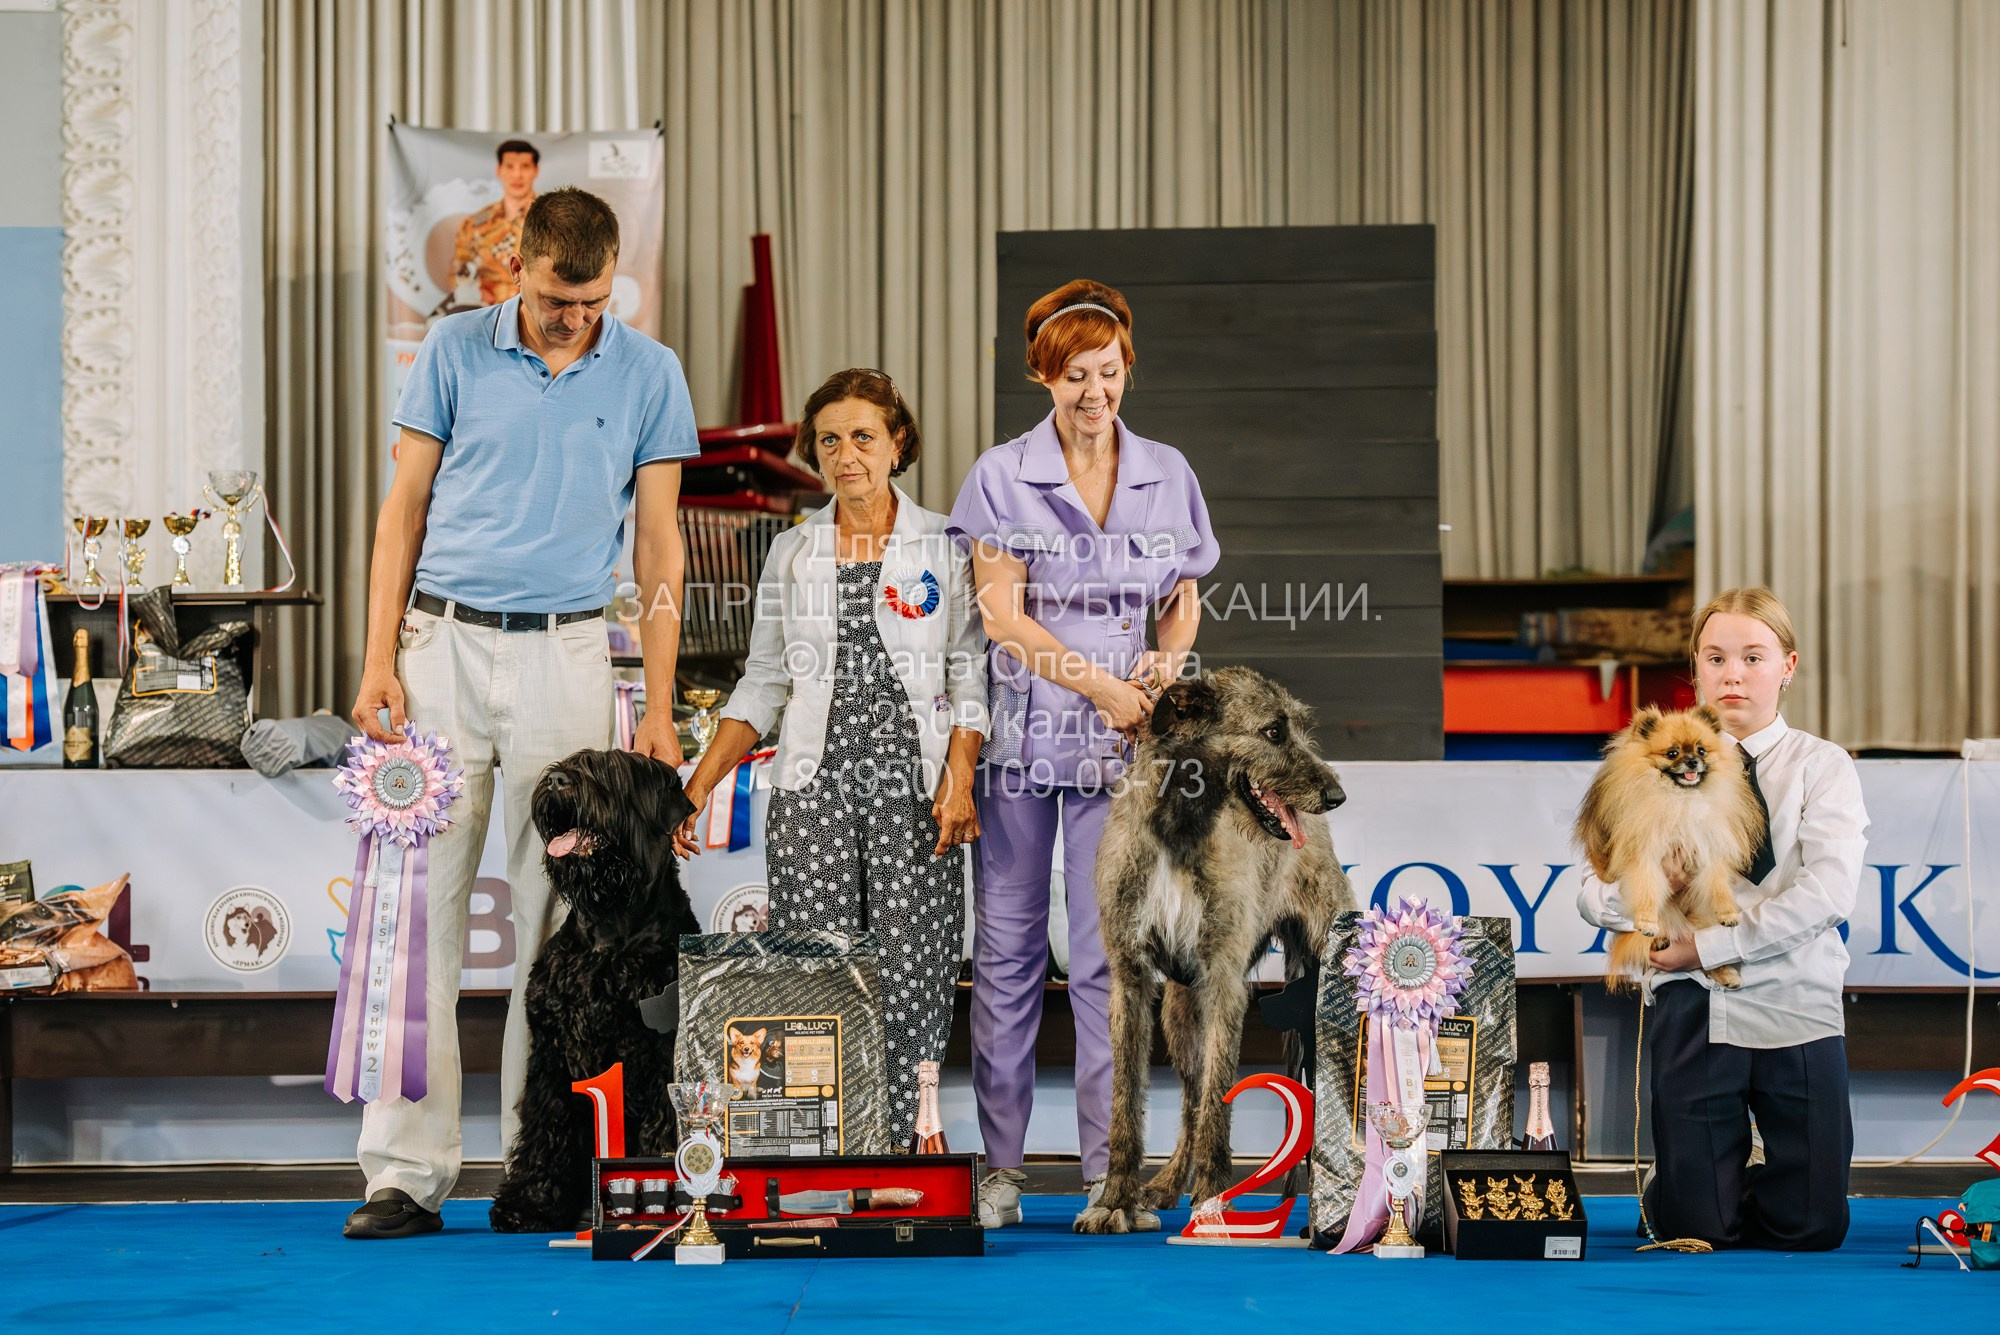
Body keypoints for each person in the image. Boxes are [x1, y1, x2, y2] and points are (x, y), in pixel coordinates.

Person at [343, 186, 697, 1239]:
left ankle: (540, 1168)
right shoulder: (452, 351)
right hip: (442, 645)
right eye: (554, 301)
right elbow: (403, 510)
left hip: (571, 646)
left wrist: (661, 704)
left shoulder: (651, 371)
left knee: (564, 923)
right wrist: (376, 659)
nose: (572, 320)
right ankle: (404, 1173)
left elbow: (660, 544)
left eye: (591, 303)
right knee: (420, 918)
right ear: (517, 270)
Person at [948, 280, 1218, 1227]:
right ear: (1043, 377)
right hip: (1025, 736)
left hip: (1126, 745)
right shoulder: (1001, 474)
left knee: (1112, 958)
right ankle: (1002, 1171)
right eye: (1074, 376)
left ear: (1127, 370)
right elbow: (1001, 616)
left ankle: (1113, 1170)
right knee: (1009, 956)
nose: (1094, 391)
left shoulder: (1167, 471)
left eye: (1108, 372)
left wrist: (1166, 661)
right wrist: (1099, 685)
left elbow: (1182, 595)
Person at [676, 368, 987, 1147]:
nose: (847, 456)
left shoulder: (944, 543)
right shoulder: (792, 551)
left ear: (898, 443)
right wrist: (697, 785)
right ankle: (833, 1152)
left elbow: (969, 674)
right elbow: (763, 681)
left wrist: (959, 782)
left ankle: (907, 1146)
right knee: (818, 970)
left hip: (915, 788)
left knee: (915, 965)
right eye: (829, 441)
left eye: (863, 437)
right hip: (813, 788)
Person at [1578, 587, 1867, 1250]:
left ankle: (1730, 1181)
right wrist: (1653, 888)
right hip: (1694, 1004)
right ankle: (1688, 1189)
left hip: (1796, 999)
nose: (1733, 673)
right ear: (1696, 670)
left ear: (1787, 666)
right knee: (1699, 1229)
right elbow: (1591, 895)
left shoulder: (1821, 767)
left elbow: (1828, 893)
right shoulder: (1647, 762)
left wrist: (1707, 946)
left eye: (1753, 657)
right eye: (1716, 658)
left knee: (1814, 1226)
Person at [440, 139, 541, 314]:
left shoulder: (550, 220)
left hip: (533, 314)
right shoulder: (474, 223)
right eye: (510, 166)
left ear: (535, 171)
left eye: (525, 167)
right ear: (499, 170)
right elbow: (457, 271)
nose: (517, 175)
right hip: (482, 314)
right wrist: (475, 291)